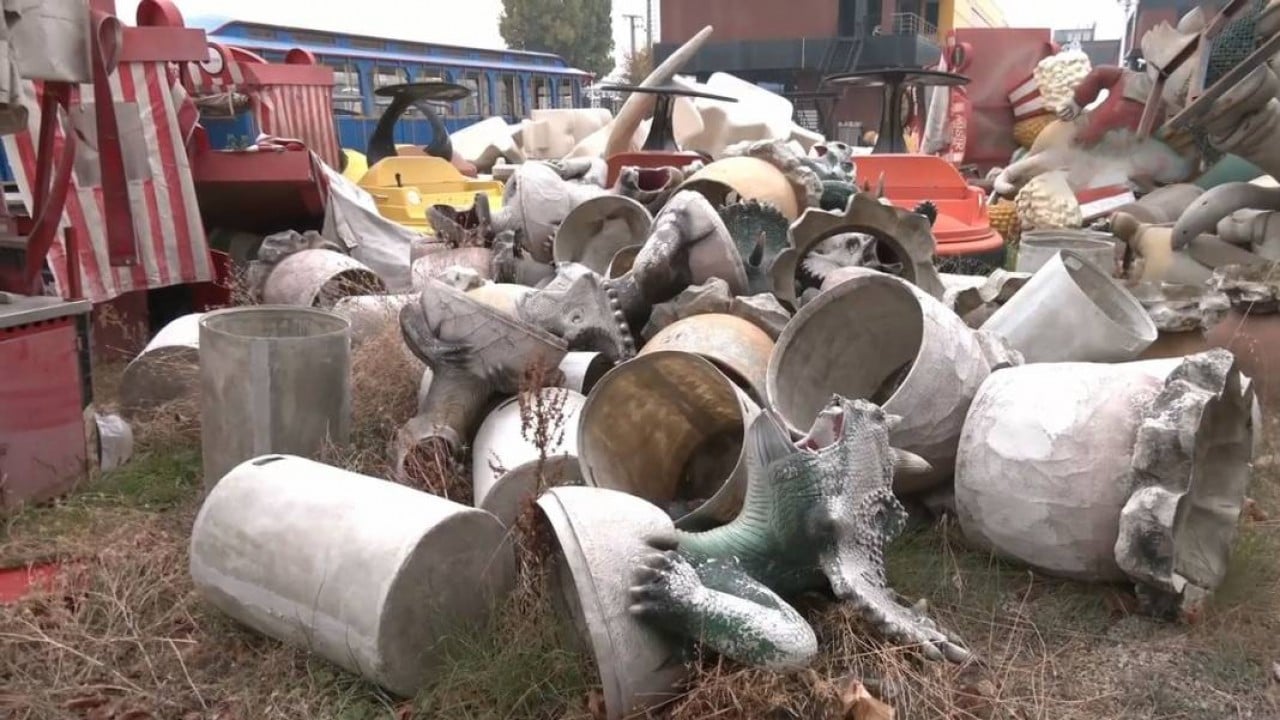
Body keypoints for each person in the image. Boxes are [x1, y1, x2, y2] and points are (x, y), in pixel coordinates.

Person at [1055, 64, 1155, 148]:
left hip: (1126, 156)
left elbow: (1098, 74)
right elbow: (1098, 75)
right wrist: (1077, 102)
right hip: (1087, 138)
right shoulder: (1128, 79)